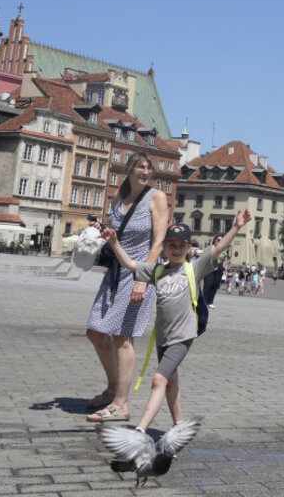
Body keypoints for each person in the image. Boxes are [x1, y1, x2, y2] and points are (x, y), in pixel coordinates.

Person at [101, 212, 250, 434]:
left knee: (159, 379)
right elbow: (131, 265)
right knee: (171, 380)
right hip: (163, 337)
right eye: (171, 245)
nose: (176, 249)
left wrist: (236, 228)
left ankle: (140, 430)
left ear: (189, 248)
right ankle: (178, 424)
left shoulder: (194, 268)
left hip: (183, 336)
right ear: (164, 248)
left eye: (181, 245)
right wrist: (114, 242)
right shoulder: (158, 271)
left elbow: (217, 250)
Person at [85, 153, 169, 423]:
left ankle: (121, 404)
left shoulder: (155, 197)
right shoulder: (119, 197)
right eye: (140, 167)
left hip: (137, 275)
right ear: (129, 170)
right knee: (95, 332)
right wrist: (104, 232)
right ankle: (112, 389)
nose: (145, 172)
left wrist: (143, 279)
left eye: (148, 168)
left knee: (123, 337)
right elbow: (118, 235)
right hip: (114, 273)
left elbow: (158, 242)